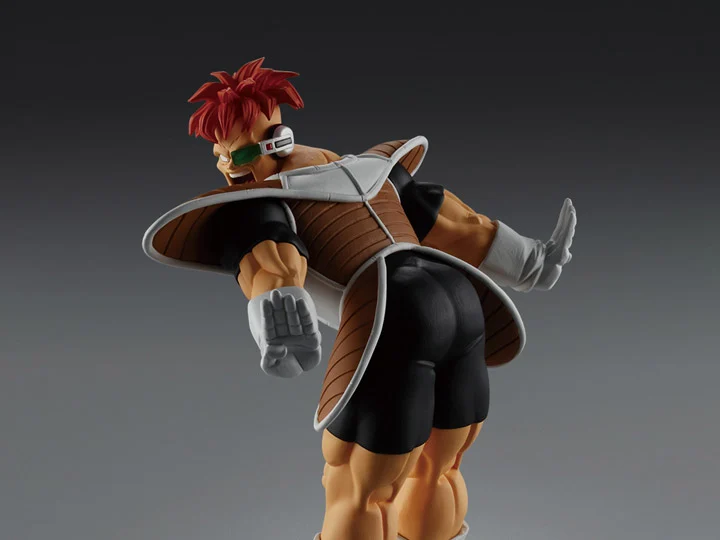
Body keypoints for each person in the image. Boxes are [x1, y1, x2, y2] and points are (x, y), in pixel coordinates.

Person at [142, 57, 577, 540]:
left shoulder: (265, 203)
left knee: (356, 485)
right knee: (439, 466)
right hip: (461, 300)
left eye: (239, 155)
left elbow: (274, 259)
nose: (228, 169)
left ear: (276, 142)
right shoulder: (375, 171)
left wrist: (276, 308)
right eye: (219, 156)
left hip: (397, 312)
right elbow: (458, 226)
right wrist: (530, 261)